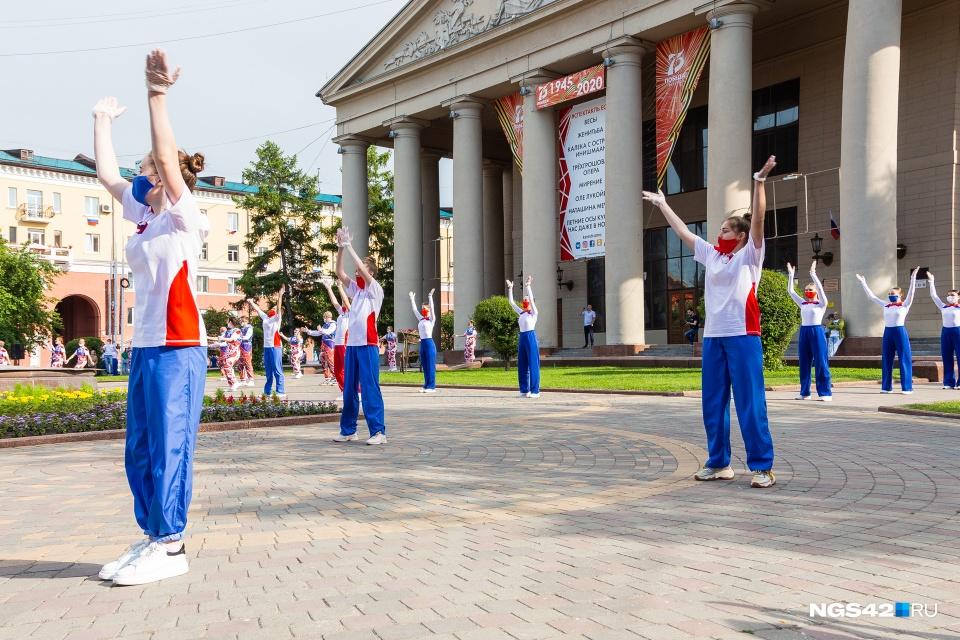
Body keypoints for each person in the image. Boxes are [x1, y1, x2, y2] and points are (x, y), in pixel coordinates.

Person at [91, 50, 209, 585]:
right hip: (145, 346)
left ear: (165, 176)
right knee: (139, 448)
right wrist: (101, 123)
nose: (141, 178)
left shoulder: (185, 217)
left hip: (179, 346)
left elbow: (164, 153)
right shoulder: (144, 219)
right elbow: (107, 175)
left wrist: (156, 96)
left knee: (169, 445)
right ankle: (151, 536)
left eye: (150, 171)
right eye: (143, 171)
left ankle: (172, 543)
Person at [642, 155, 778, 489]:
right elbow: (683, 232)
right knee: (713, 403)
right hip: (714, 337)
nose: (720, 233)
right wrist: (663, 204)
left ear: (741, 236)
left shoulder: (750, 254)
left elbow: (758, 219)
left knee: (750, 402)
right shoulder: (712, 255)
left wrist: (759, 182)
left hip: (744, 336)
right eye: (720, 229)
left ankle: (762, 467)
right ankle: (719, 463)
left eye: (726, 229)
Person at [332, 226, 387, 445]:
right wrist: (340, 249)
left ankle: (378, 432)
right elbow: (339, 273)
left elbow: (359, 270)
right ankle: (348, 430)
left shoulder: (375, 290)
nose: (357, 272)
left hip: (369, 345)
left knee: (370, 388)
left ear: (370, 273)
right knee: (349, 390)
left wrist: (350, 245)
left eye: (362, 270)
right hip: (352, 346)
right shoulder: (357, 290)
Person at [856, 267, 920, 394]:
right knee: (886, 359)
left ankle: (907, 387)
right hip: (888, 332)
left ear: (900, 295)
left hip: (900, 332)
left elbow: (912, 293)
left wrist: (913, 278)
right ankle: (886, 387)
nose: (891, 295)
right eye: (889, 294)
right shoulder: (886, 304)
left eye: (893, 294)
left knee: (904, 358)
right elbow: (871, 297)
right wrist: (863, 282)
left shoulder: (905, 304)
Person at [786, 261, 832, 401]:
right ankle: (805, 392)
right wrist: (791, 275)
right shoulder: (803, 303)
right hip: (804, 332)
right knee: (804, 362)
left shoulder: (821, 304)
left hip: (817, 331)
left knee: (821, 362)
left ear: (816, 292)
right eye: (806, 290)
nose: (807, 292)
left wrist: (813, 274)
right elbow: (791, 291)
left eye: (810, 290)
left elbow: (821, 290)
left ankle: (825, 393)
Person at [247, 285, 286, 398]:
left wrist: (280, 295)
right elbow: (258, 309)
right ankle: (267, 392)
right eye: (272, 308)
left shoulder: (277, 318)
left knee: (277, 369)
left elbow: (279, 307)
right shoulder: (266, 317)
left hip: (275, 346)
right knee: (268, 371)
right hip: (267, 347)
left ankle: (280, 391)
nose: (272, 309)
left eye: (274, 308)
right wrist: (251, 302)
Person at [925, 272, 960, 389]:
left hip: (958, 332)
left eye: (953, 295)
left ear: (958, 297)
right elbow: (934, 296)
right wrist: (931, 282)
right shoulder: (943, 306)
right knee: (947, 357)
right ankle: (949, 382)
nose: (950, 296)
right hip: (945, 332)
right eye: (949, 295)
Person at [507, 275, 541, 399]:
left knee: (533, 364)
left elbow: (531, 299)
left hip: (530, 336)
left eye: (527, 300)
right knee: (522, 364)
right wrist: (510, 288)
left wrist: (528, 287)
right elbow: (511, 302)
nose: (525, 301)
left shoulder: (534, 313)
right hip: (522, 337)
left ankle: (535, 391)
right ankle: (524, 390)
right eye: (524, 300)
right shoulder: (521, 313)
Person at [321, 278, 350, 392]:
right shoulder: (342, 313)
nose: (342, 302)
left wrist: (339, 286)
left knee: (344, 369)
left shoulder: (351, 312)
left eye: (344, 301)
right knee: (338, 371)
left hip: (344, 344)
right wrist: (329, 288)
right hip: (337, 344)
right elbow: (334, 302)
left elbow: (345, 301)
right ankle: (344, 391)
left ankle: (352, 392)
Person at [410, 289, 437, 393]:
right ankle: (426, 385)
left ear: (428, 309)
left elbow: (433, 309)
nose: (423, 310)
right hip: (423, 344)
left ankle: (432, 386)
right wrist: (412, 298)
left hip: (429, 343)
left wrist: (430, 296)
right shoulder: (421, 319)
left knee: (430, 365)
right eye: (422, 308)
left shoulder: (431, 319)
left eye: (425, 308)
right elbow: (414, 310)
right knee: (425, 365)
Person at [304, 309, 338, 385]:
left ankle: (335, 378)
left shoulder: (333, 324)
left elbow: (329, 331)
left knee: (331, 361)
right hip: (324, 344)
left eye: (325, 317)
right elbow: (318, 333)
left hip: (330, 343)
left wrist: (321, 330)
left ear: (328, 317)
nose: (324, 319)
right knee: (323, 360)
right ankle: (327, 378)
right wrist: (308, 331)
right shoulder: (325, 325)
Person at [237, 318, 255, 387]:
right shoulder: (241, 329)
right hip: (241, 345)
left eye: (242, 321)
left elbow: (247, 337)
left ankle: (251, 379)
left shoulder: (249, 328)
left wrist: (238, 338)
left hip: (246, 346)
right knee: (240, 363)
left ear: (246, 321)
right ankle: (243, 379)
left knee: (247, 362)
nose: (241, 322)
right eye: (240, 321)